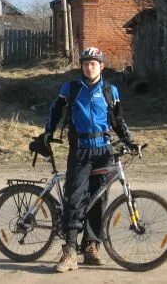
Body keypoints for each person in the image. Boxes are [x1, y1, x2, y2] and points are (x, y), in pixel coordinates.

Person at [44, 47, 137, 273]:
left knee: (98, 200)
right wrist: (48, 132)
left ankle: (92, 247)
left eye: (93, 63)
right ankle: (70, 251)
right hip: (80, 151)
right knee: (75, 200)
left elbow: (117, 120)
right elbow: (55, 110)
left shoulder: (110, 90)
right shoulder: (72, 88)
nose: (89, 67)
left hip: (103, 152)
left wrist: (129, 140)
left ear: (101, 66)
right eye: (85, 63)